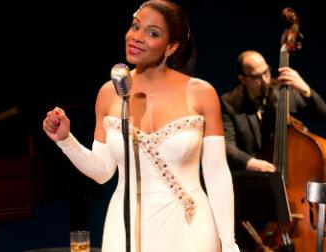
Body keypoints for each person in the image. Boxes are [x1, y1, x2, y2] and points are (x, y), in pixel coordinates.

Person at [43, 1, 240, 251]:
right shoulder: (109, 93)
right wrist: (65, 140)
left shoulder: (200, 93)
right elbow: (103, 172)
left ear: (171, 47)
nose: (136, 37)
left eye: (152, 33)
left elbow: (217, 173)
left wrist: (229, 242)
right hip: (125, 224)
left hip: (188, 224)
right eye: (135, 27)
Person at [221, 50, 326, 173]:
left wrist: (305, 89)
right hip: (250, 178)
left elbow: (322, 114)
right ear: (243, 79)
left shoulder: (282, 91)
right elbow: (227, 145)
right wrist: (250, 162)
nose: (265, 80)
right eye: (257, 76)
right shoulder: (230, 103)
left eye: (266, 72)